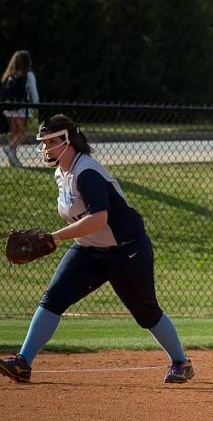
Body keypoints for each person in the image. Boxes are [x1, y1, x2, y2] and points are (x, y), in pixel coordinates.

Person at [0, 115, 195, 385]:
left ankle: (180, 362)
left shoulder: (87, 172)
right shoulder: (61, 174)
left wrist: (54, 237)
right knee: (53, 299)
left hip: (126, 250)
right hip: (89, 250)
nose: (46, 148)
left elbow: (99, 218)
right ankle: (23, 362)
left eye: (52, 142)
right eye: (43, 143)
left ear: (69, 141)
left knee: (145, 312)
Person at [1, 50, 40, 167]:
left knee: (14, 133)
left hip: (8, 108)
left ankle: (13, 159)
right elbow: (34, 92)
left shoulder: (9, 75)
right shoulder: (28, 74)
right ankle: (9, 148)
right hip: (21, 108)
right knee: (23, 133)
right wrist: (36, 105)